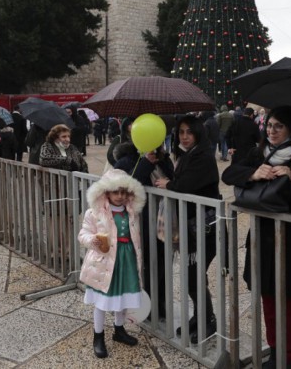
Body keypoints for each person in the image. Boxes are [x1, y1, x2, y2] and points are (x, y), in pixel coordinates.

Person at [222, 106, 291, 369]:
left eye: (278, 126)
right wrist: (253, 174)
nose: (271, 130)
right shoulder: (258, 154)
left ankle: (289, 357)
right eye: (269, 125)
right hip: (262, 238)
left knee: (289, 299)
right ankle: (275, 348)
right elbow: (228, 173)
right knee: (267, 295)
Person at [154, 114, 221, 343]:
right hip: (192, 228)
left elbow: (186, 185)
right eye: (181, 132)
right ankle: (201, 316)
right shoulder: (186, 155)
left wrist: (169, 184)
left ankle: (208, 320)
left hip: (205, 228)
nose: (184, 137)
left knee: (194, 275)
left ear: (198, 134)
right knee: (192, 275)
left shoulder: (202, 156)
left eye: (188, 132)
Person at [78, 169, 146, 358]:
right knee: (101, 301)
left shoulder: (131, 211)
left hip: (127, 260)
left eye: (124, 192)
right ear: (106, 192)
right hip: (105, 263)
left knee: (122, 297)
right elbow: (82, 234)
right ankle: (98, 336)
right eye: (115, 192)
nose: (120, 196)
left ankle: (119, 329)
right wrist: (94, 241)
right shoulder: (95, 212)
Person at [113, 138, 174, 320]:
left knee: (162, 263)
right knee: (144, 263)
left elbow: (174, 179)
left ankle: (159, 303)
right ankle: (143, 304)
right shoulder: (126, 160)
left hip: (164, 220)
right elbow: (126, 186)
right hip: (140, 222)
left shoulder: (164, 158)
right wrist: (146, 163)